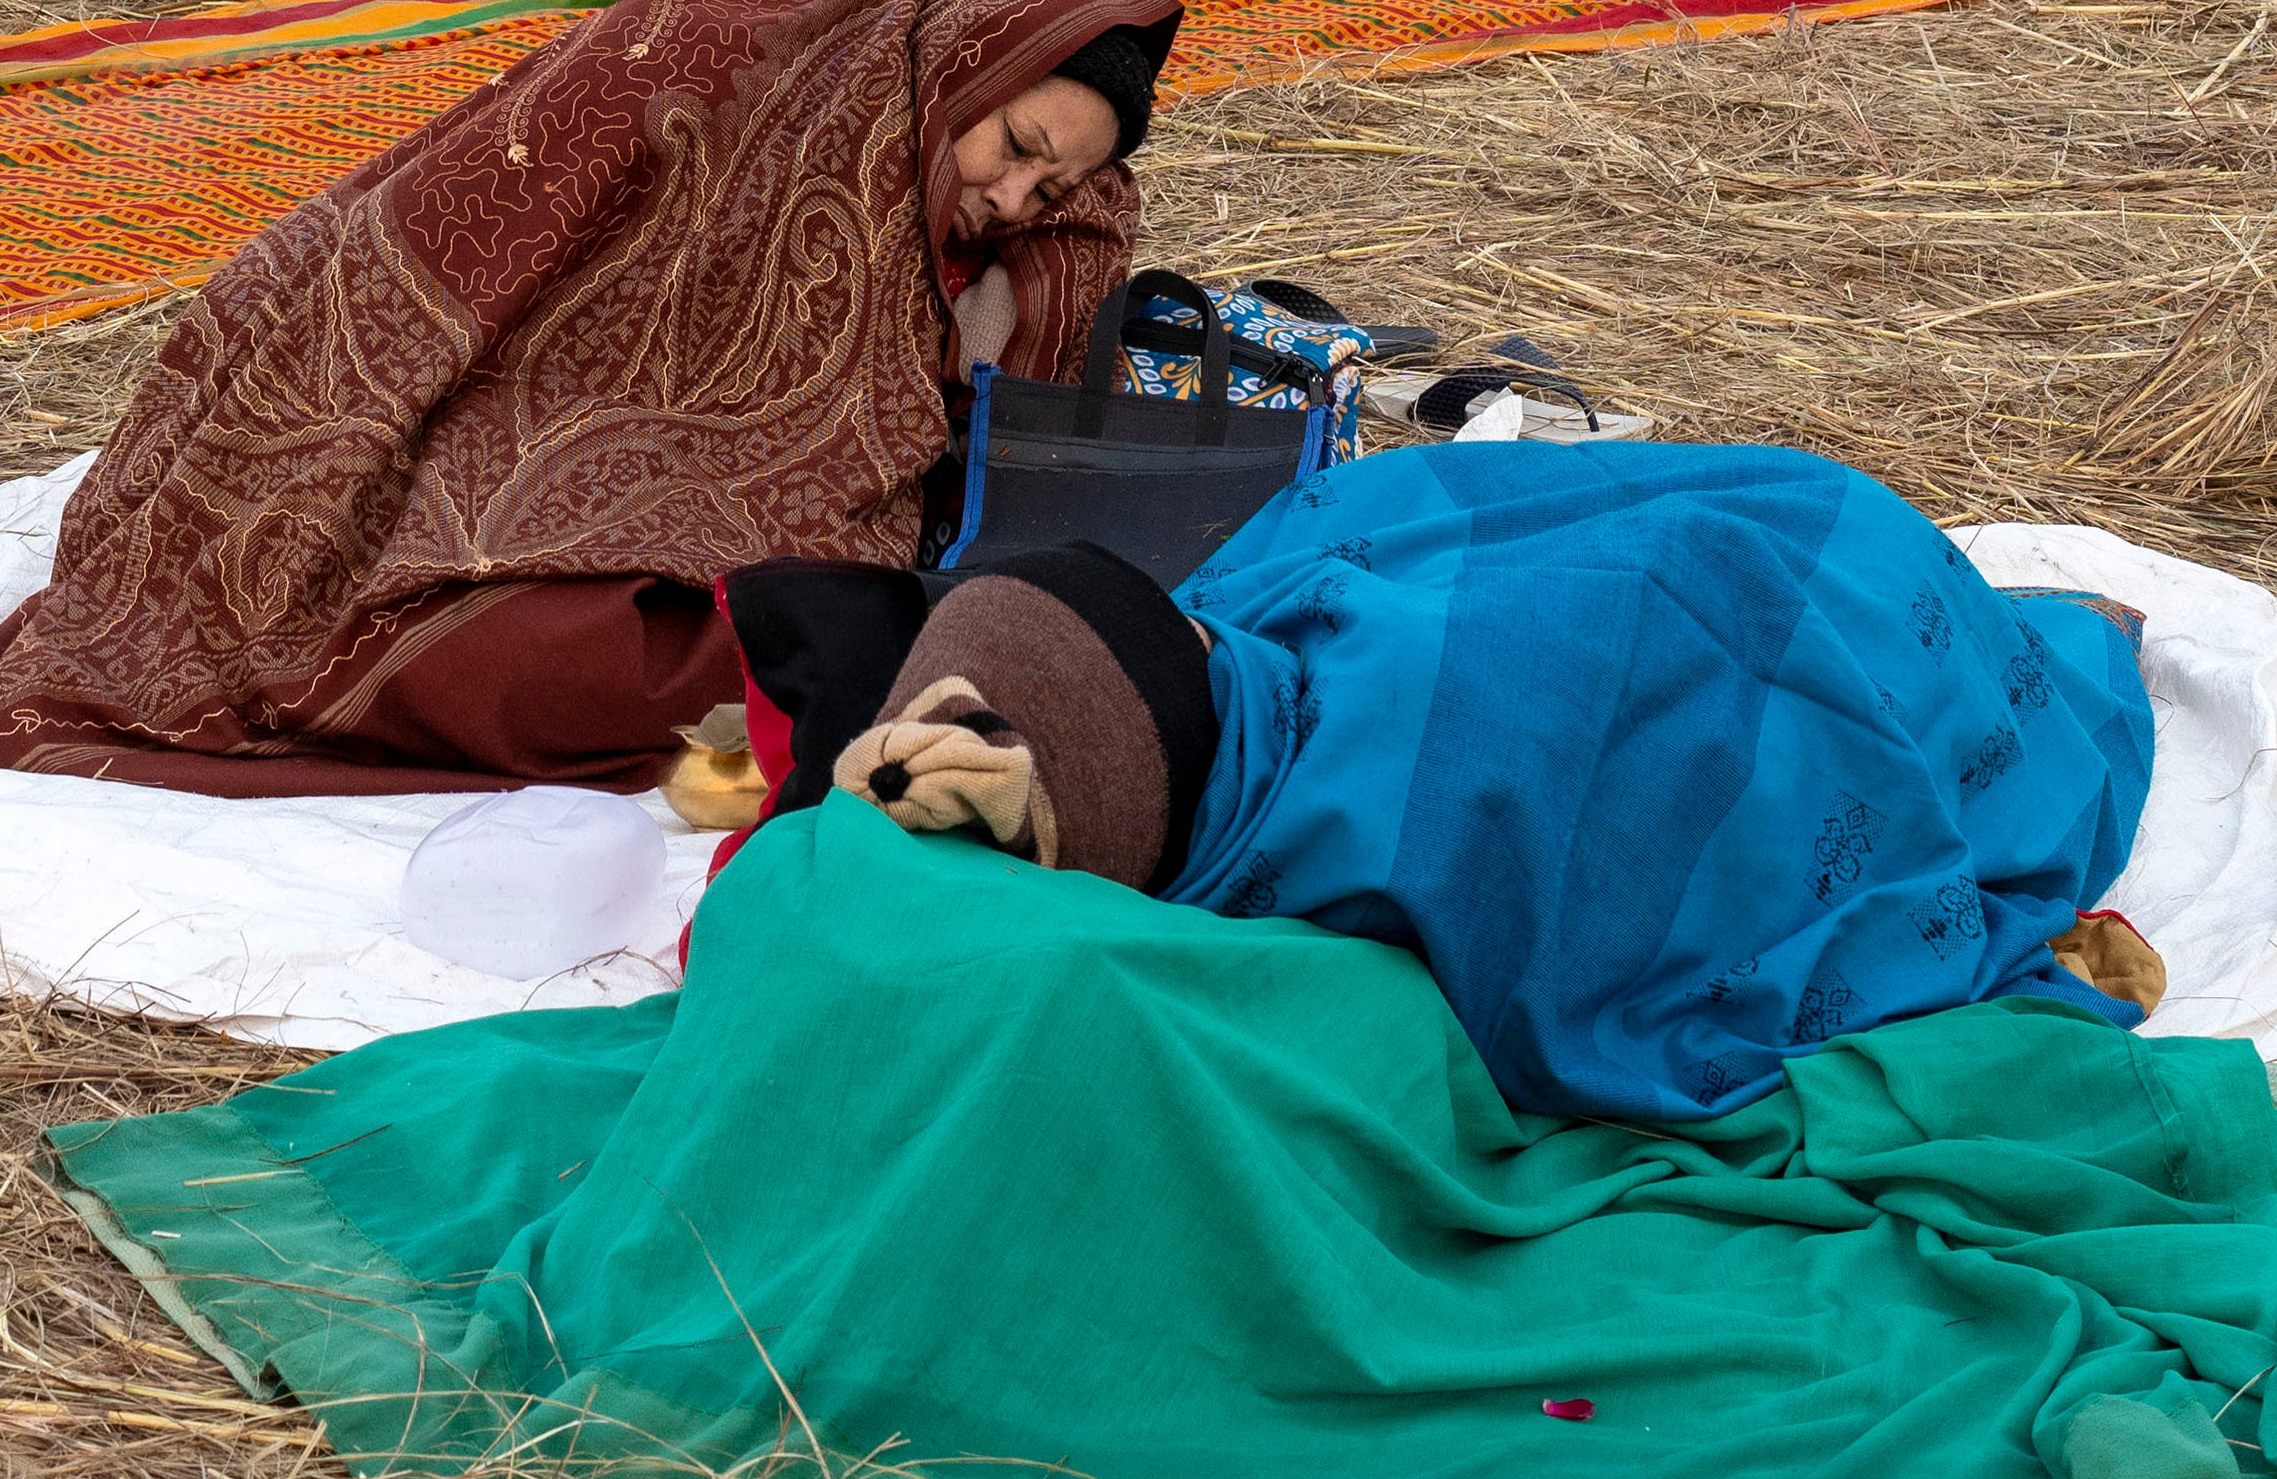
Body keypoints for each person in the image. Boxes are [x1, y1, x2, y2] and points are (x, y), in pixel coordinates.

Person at [0, 0, 1180, 796]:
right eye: (1013, 146)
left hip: (730, 532)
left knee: (781, 651)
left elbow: (1004, 392)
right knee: (474, 650)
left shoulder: (1027, 211)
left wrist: (1042, 246)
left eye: (1051, 182)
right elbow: (426, 248)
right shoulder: (704, 58)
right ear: (965, 50)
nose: (1013, 197)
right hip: (470, 452)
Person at [803, 439, 2162, 1121]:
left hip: (1759, 573)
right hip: (1763, 599)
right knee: (1809, 644)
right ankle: (2053, 652)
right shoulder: (1366, 830)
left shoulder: (1251, 620)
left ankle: (2040, 648)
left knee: (1720, 580)